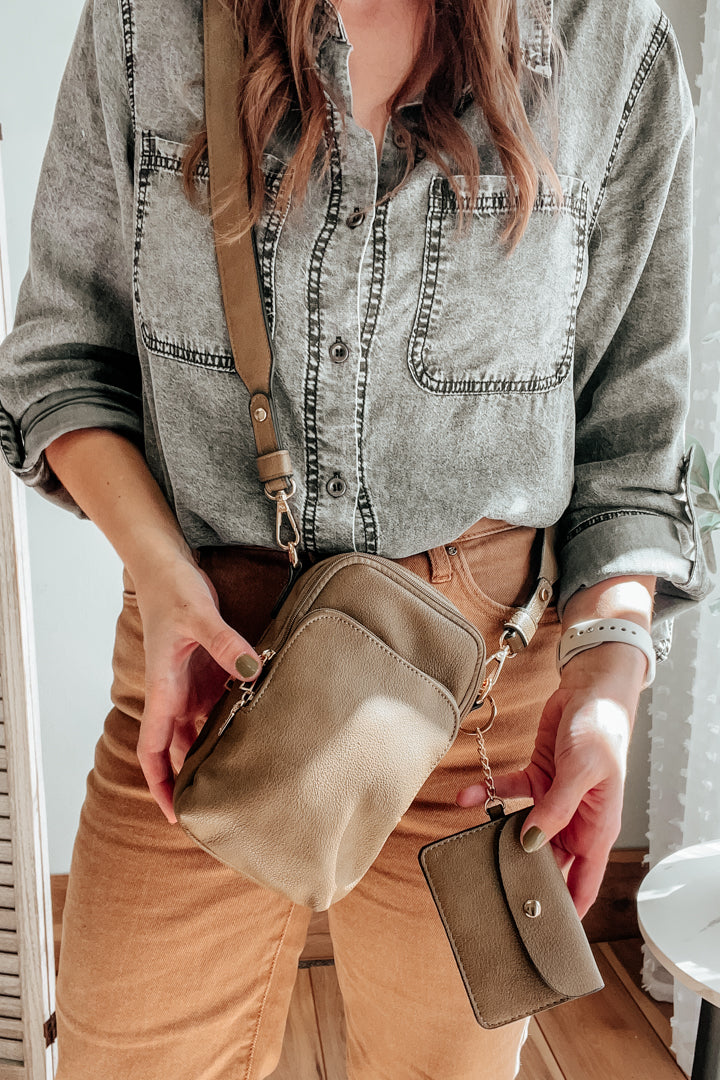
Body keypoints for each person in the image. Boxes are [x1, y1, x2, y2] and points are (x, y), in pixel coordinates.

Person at [0, 0, 712, 1075]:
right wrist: (158, 572)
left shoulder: (610, 36)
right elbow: (59, 365)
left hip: (481, 726)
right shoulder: (147, 23)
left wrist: (607, 685)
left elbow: (633, 452)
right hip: (206, 687)